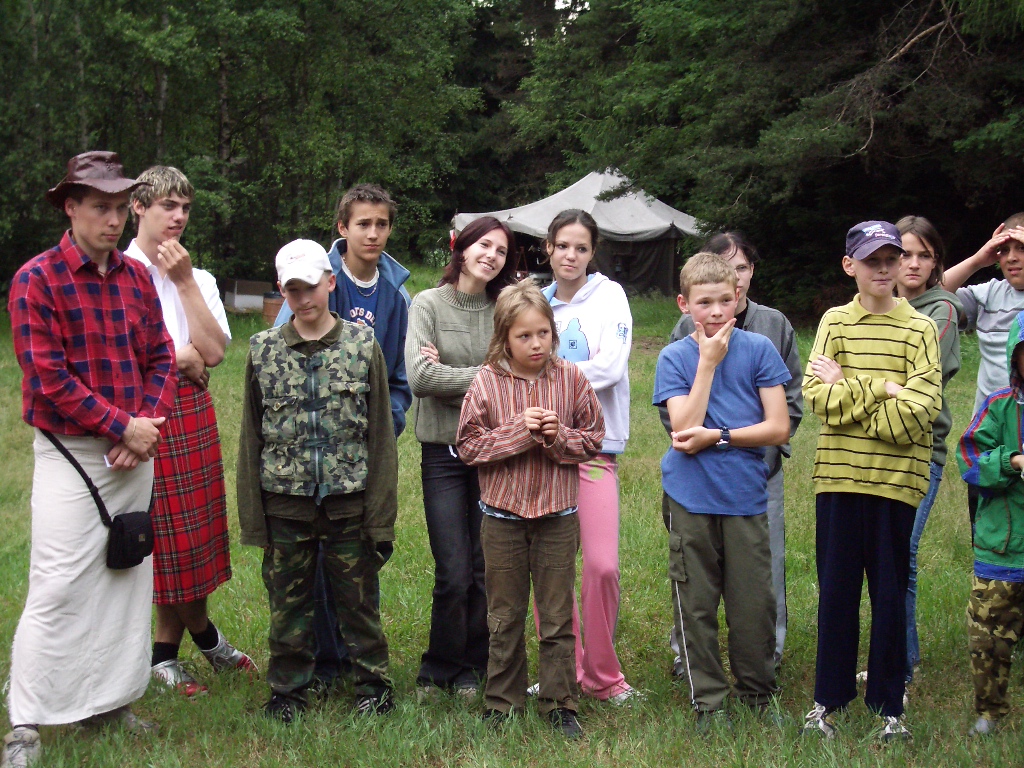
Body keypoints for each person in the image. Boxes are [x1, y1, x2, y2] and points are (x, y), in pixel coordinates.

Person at [4, 151, 177, 767]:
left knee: (125, 579)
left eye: (119, 207)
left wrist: (143, 426)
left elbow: (162, 356)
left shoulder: (136, 279)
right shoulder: (37, 279)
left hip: (134, 450)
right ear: (71, 207)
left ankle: (107, 702)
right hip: (70, 452)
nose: (112, 219)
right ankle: (26, 723)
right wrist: (121, 426)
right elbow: (47, 377)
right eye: (99, 207)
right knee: (58, 583)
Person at [237, 239, 398, 723]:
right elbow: (250, 437)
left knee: (358, 602)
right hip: (285, 504)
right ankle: (288, 691)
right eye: (293, 290)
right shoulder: (262, 350)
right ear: (282, 291)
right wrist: (254, 520)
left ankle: (373, 685)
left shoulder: (361, 346)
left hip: (349, 503)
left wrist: (380, 517)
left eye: (311, 287)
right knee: (288, 605)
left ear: (330, 282)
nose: (304, 299)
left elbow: (380, 437)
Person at [801, 221, 941, 742]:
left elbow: (920, 411)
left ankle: (890, 707)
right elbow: (817, 399)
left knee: (889, 595)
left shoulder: (920, 329)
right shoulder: (835, 322)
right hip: (838, 480)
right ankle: (828, 701)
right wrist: (883, 387)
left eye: (891, 258)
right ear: (850, 266)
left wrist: (850, 389)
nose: (883, 269)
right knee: (836, 595)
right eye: (871, 260)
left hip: (896, 482)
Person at [125, 166, 256, 698]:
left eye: (185, 207)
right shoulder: (119, 273)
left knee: (192, 538)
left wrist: (182, 281)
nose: (178, 216)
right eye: (167, 206)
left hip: (191, 411)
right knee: (165, 538)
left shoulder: (197, 279)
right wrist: (178, 356)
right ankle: (206, 639)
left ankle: (165, 656)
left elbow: (216, 351)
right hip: (138, 411)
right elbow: (119, 357)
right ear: (138, 207)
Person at [274, 184, 410, 692]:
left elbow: (398, 378)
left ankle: (359, 664)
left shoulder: (396, 294)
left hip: (364, 448)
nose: (372, 233)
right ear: (343, 229)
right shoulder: (314, 280)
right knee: (310, 560)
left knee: (356, 556)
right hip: (310, 449)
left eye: (381, 224)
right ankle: (322, 661)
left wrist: (384, 424)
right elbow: (286, 352)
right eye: (362, 224)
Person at [457, 280, 604, 739]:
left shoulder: (571, 378)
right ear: (505, 338)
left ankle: (560, 703)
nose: (536, 343)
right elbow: (468, 446)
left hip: (558, 517)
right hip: (502, 518)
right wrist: (519, 432)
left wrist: (559, 436)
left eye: (543, 333)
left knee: (557, 616)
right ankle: (503, 701)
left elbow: (594, 438)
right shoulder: (486, 381)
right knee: (504, 616)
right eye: (524, 336)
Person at [653, 252, 790, 731]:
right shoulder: (675, 357)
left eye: (724, 301)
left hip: (745, 495)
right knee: (695, 604)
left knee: (754, 603)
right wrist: (707, 364)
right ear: (684, 304)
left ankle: (757, 691)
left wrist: (721, 436)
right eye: (704, 302)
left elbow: (778, 427)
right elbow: (683, 428)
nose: (715, 312)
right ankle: (708, 701)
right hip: (689, 497)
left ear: (738, 298)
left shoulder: (759, 349)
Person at [405, 216, 518, 697]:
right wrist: (488, 377)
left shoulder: (505, 309)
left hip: (492, 453)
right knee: (452, 570)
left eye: (501, 250)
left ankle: (473, 667)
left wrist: (451, 376)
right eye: (484, 245)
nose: (491, 256)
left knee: (481, 567)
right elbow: (420, 379)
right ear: (463, 248)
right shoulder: (427, 304)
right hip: (443, 454)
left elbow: (518, 377)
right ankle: (438, 667)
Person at [538, 209, 638, 703]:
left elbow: (611, 367)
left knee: (601, 566)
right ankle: (561, 671)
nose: (570, 256)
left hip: (596, 448)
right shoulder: (536, 302)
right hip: (542, 453)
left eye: (580, 248)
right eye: (562, 246)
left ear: (592, 252)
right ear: (548, 248)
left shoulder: (610, 296)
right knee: (551, 569)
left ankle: (603, 676)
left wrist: (548, 378)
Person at [893, 216, 961, 687]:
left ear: (936, 262)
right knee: (885, 555)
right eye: (905, 254)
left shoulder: (942, 311)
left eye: (924, 255)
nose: (913, 264)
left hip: (921, 449)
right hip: (876, 446)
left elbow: (918, 379)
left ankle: (901, 666)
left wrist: (856, 380)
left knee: (902, 554)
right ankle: (897, 658)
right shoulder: (881, 306)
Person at [957, 308, 1024, 737]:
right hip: (1003, 545)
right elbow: (969, 462)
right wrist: (1011, 460)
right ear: (1015, 356)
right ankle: (990, 709)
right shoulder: (999, 406)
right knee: (989, 634)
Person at [942, 214, 1024, 535]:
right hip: (991, 437)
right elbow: (925, 293)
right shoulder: (989, 295)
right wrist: (978, 260)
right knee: (989, 530)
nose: (1012, 257)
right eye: (1005, 249)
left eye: (1022, 248)